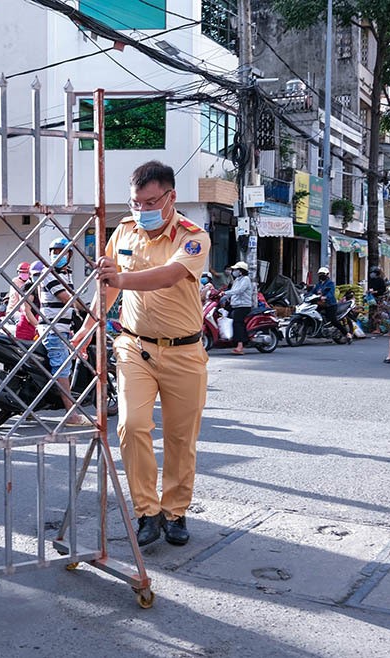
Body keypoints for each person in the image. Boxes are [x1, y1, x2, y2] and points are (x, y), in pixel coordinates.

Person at [73, 160, 210, 548]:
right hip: (135, 346)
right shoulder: (124, 232)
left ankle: (175, 511)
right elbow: (109, 287)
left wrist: (119, 277)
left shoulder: (193, 236)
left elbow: (168, 276)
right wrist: (87, 329)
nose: (142, 210)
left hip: (184, 352)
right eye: (136, 203)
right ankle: (147, 511)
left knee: (181, 439)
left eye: (151, 202)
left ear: (171, 197)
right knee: (132, 426)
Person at [38, 237, 86, 426]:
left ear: (70, 254)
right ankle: (71, 415)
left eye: (61, 252)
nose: (57, 255)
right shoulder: (48, 273)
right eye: (54, 251)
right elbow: (67, 298)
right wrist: (86, 308)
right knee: (62, 369)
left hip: (64, 328)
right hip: (53, 329)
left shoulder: (67, 273)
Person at [312, 266, 353, 343]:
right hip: (320, 304)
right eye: (320, 274)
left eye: (323, 274)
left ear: (327, 275)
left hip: (330, 305)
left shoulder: (330, 283)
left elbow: (331, 293)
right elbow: (313, 291)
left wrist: (325, 297)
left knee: (333, 320)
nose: (321, 275)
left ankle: (347, 334)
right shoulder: (318, 284)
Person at [226, 261, 254, 355]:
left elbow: (239, 291)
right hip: (235, 305)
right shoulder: (237, 280)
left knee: (238, 324)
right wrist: (222, 296)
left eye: (235, 270)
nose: (233, 271)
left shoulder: (246, 279)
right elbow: (232, 291)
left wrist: (226, 293)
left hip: (243, 306)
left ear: (241, 271)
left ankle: (240, 346)